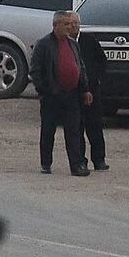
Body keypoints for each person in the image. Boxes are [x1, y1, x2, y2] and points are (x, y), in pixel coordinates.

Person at [29, 11, 91, 176]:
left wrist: (85, 89)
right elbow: (35, 70)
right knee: (48, 131)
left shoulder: (73, 44)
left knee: (74, 132)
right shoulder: (43, 44)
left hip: (72, 95)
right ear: (56, 25)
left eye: (70, 24)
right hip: (52, 96)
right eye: (65, 24)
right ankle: (46, 163)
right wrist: (44, 90)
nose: (69, 27)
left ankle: (77, 165)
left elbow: (81, 67)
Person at [70, 13, 109, 171]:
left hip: (92, 90)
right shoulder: (62, 43)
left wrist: (96, 80)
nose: (72, 26)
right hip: (72, 91)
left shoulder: (89, 40)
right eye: (69, 23)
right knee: (76, 128)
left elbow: (102, 60)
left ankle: (99, 160)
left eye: (75, 23)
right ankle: (80, 160)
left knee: (95, 126)